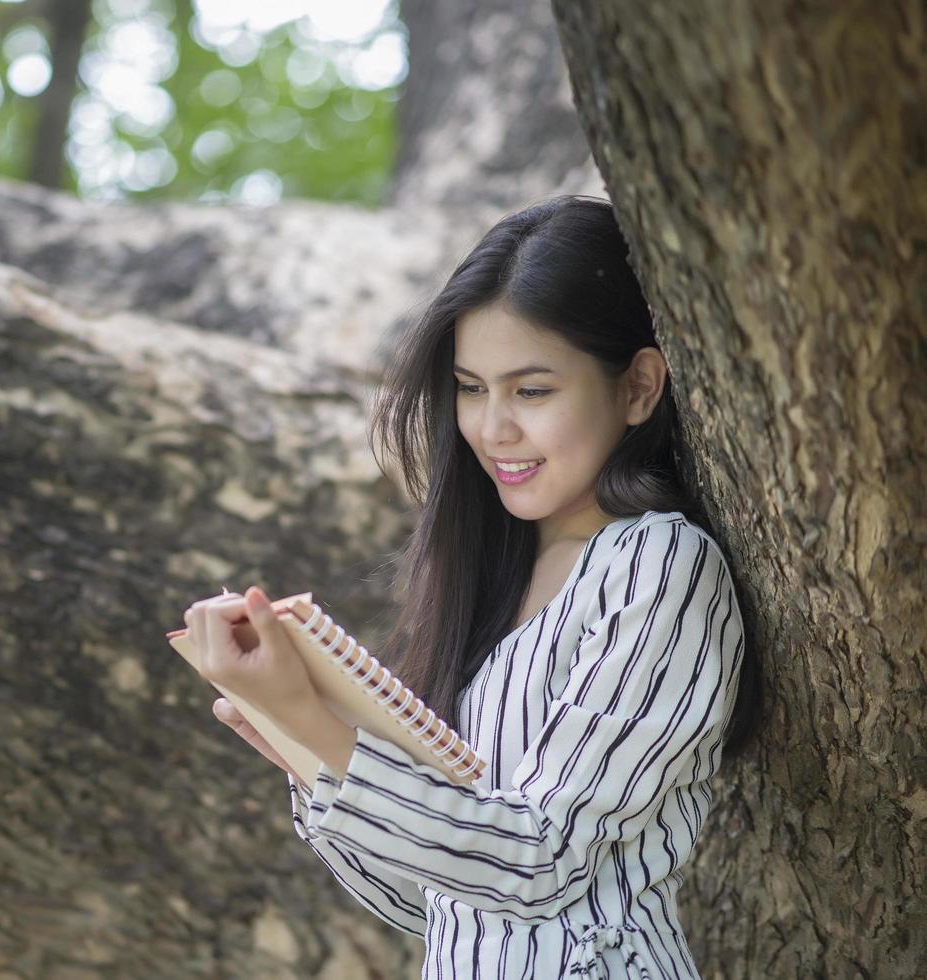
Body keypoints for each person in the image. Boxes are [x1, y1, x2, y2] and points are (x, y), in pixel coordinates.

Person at [183, 195, 762, 979]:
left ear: (637, 387)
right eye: (470, 387)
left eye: (531, 391)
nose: (493, 430)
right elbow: (434, 901)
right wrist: (306, 748)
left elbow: (539, 860)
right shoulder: (494, 576)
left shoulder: (659, 567)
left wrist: (316, 730)